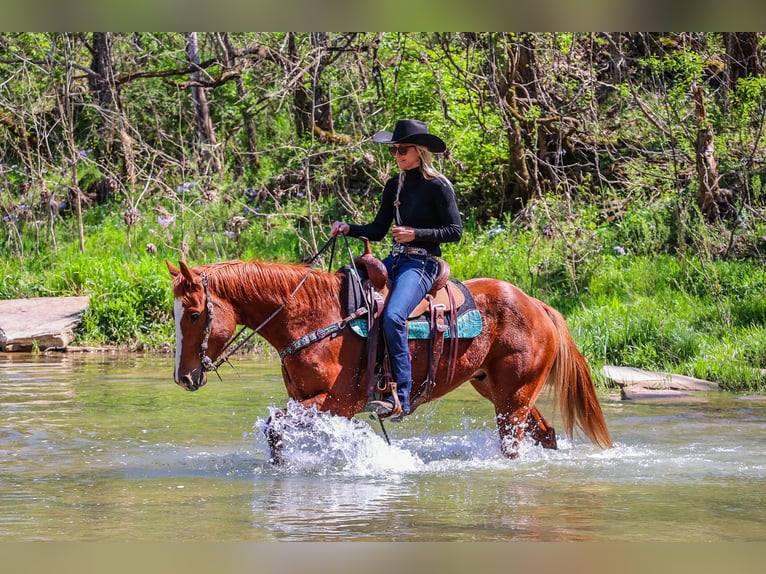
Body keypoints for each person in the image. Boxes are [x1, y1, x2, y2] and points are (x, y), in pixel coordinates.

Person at [331, 119, 463, 420]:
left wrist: (416, 234)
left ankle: (399, 395)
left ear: (419, 151)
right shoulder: (395, 185)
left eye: (402, 150)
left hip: (422, 263)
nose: (397, 155)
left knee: (393, 316)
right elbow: (378, 229)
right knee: (347, 288)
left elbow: (455, 231)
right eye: (394, 150)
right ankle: (360, 379)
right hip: (395, 259)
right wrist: (348, 227)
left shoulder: (438, 186)